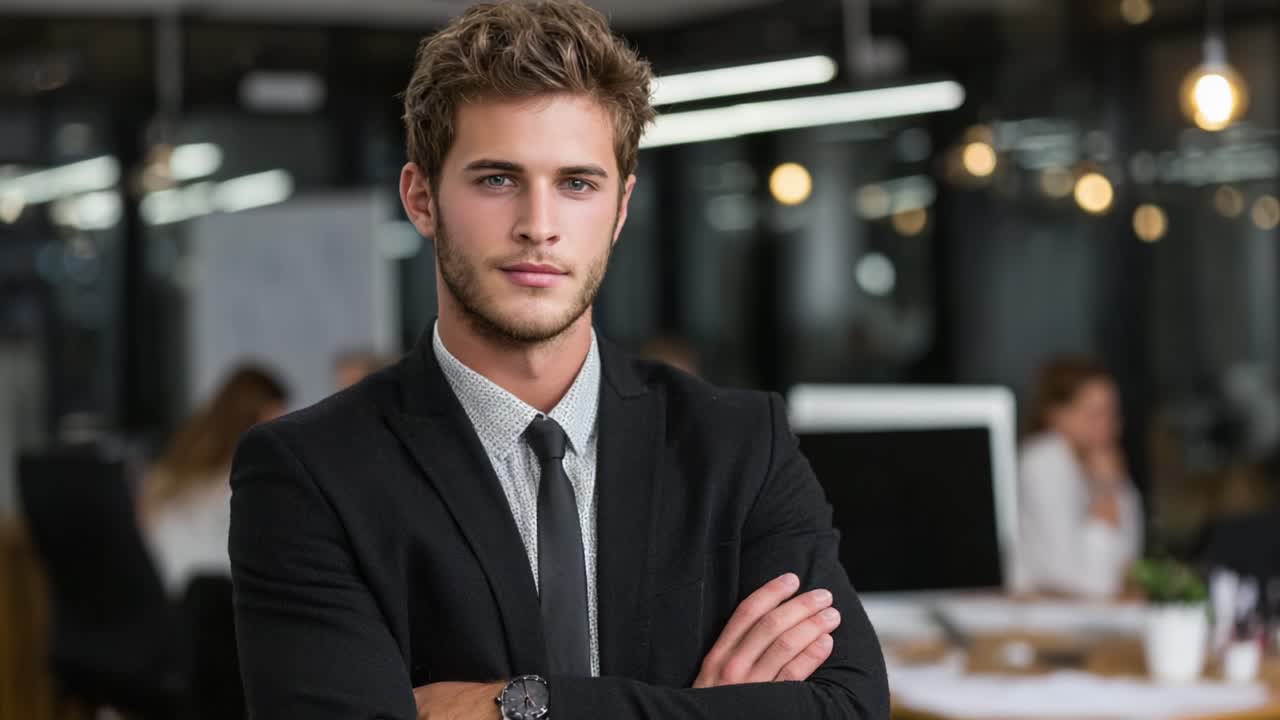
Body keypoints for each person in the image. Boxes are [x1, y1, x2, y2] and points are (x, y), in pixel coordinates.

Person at [228, 3, 888, 719]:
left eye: (577, 183)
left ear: (621, 207)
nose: (538, 226)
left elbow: (849, 708)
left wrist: (520, 706)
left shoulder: (739, 447)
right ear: (422, 199)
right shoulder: (309, 473)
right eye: (496, 179)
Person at [140, 365, 287, 596]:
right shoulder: (247, 474)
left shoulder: (178, 462)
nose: (282, 426)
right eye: (277, 414)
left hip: (169, 599)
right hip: (213, 602)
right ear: (257, 414)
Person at [1015, 355, 1143, 599]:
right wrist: (1105, 493)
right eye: (1094, 414)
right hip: (1046, 617)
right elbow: (1092, 581)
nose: (1108, 425)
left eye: (1112, 414)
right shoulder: (1044, 460)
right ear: (1056, 415)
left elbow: (1129, 565)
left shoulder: (1103, 463)